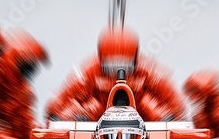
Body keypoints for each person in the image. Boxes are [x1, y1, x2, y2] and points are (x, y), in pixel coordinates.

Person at [46, 24, 185, 122]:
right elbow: (58, 106)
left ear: (135, 60)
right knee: (88, 107)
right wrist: (67, 118)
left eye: (124, 65)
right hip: (95, 130)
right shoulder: (89, 73)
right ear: (101, 59)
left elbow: (176, 106)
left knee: (149, 105)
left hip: (145, 129)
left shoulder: (150, 72)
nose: (118, 70)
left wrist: (167, 118)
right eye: (111, 65)